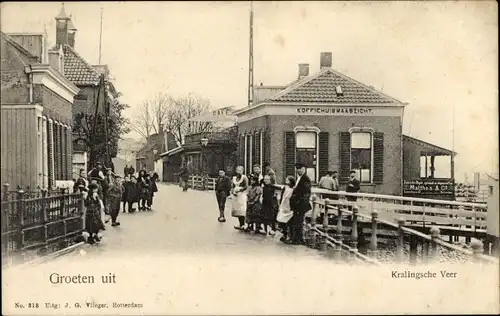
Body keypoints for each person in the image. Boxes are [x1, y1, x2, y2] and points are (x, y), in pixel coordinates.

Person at [288, 162, 312, 245]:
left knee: (299, 222)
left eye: (301, 169)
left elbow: (306, 193)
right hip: (297, 204)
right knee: (297, 222)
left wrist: (299, 202)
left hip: (300, 204)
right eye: (297, 169)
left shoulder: (306, 179)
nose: (299, 170)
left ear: (304, 169)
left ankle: (297, 240)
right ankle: (298, 238)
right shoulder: (299, 178)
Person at [276, 176, 296, 242]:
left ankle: (289, 236)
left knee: (289, 221)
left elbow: (293, 198)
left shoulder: (293, 188)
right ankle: (284, 234)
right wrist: (280, 203)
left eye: (287, 180)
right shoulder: (285, 187)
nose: (286, 181)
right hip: (284, 204)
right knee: (282, 220)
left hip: (289, 205)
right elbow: (282, 195)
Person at [231, 165, 249, 230]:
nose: (239, 172)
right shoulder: (234, 178)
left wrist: (239, 190)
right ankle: (240, 224)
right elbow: (233, 186)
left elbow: (246, 186)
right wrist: (233, 191)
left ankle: (243, 224)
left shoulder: (244, 177)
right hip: (236, 196)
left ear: (242, 171)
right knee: (237, 210)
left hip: (242, 195)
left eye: (240, 170)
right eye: (237, 170)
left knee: (242, 209)